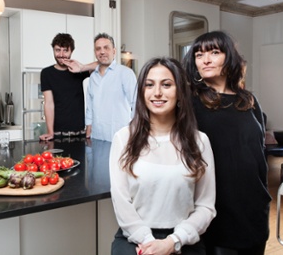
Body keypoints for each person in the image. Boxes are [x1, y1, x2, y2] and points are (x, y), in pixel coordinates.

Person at [110, 57, 216, 255]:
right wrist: (150, 243)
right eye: (149, 85)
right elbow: (121, 202)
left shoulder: (200, 141)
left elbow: (206, 206)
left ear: (180, 92)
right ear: (142, 91)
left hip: (184, 239)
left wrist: (173, 242)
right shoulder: (123, 138)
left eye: (166, 85)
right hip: (135, 239)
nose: (157, 92)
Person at [183, 31, 269, 255]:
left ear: (228, 57)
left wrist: (263, 196)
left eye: (214, 52)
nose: (206, 59)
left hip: (254, 209)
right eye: (199, 54)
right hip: (218, 213)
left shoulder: (249, 100)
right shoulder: (190, 103)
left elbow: (259, 152)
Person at [39, 33, 93, 141]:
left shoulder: (78, 70)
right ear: (53, 50)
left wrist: (82, 67)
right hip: (57, 134)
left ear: (71, 51)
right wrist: (50, 132)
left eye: (65, 50)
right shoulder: (46, 73)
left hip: (80, 133)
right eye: (58, 50)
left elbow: (102, 64)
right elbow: (49, 103)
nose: (61, 54)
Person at [85, 33, 137, 141]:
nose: (102, 51)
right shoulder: (93, 77)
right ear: (95, 53)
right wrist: (88, 125)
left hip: (120, 138)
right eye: (98, 49)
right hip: (97, 137)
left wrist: (135, 129)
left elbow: (136, 103)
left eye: (106, 48)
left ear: (114, 51)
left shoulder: (126, 73)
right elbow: (90, 105)